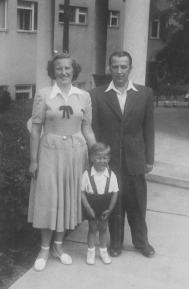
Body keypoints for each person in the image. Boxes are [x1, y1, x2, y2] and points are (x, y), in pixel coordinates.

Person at [28, 53, 96, 271]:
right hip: (49, 151)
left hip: (76, 153)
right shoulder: (43, 95)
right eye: (59, 69)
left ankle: (59, 246)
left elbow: (87, 128)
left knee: (66, 197)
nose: (64, 72)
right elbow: (36, 129)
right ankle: (45, 249)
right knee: (49, 197)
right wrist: (33, 160)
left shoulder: (83, 96)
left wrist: (96, 156)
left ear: (73, 70)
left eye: (67, 68)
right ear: (52, 71)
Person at [90, 51, 155, 258]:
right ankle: (115, 243)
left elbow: (149, 129)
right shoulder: (97, 94)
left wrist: (150, 159)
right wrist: (97, 160)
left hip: (135, 160)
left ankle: (141, 243)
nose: (119, 71)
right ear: (109, 69)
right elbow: (96, 129)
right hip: (110, 161)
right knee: (114, 203)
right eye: (115, 67)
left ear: (130, 68)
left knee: (137, 203)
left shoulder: (144, 93)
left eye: (123, 66)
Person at [81, 142, 118, 265]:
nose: (102, 161)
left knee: (103, 228)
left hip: (105, 207)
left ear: (109, 158)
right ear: (92, 158)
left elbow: (115, 193)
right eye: (98, 157)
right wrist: (87, 207)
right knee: (92, 228)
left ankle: (103, 252)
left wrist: (110, 209)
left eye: (105, 158)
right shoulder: (86, 175)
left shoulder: (111, 175)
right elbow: (81, 192)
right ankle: (90, 252)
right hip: (91, 206)